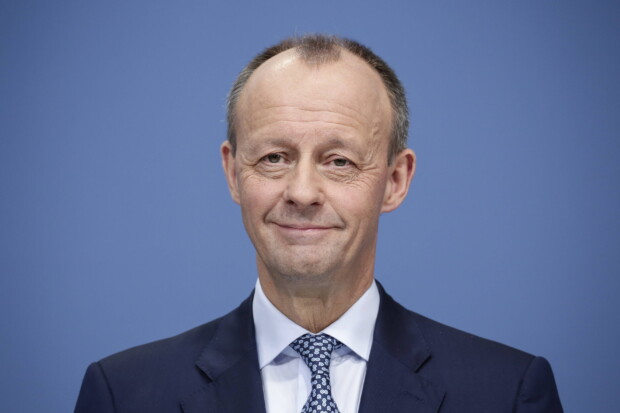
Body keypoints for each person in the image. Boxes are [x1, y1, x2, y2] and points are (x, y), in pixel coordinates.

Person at [75, 34, 563, 413]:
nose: (303, 192)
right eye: (274, 157)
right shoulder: (124, 393)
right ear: (233, 173)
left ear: (395, 181)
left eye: (339, 161)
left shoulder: (507, 393)